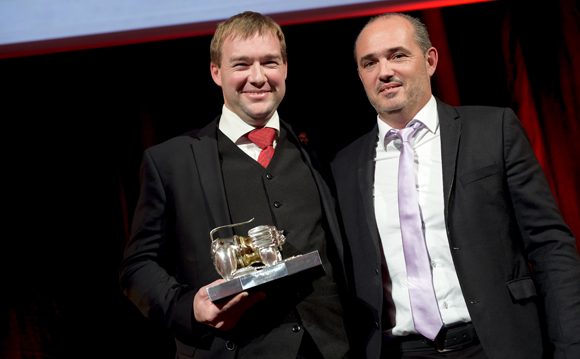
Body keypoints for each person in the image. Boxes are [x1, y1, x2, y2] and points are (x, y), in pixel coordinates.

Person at [331, 12, 580, 359]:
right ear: (360, 75)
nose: (384, 71)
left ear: (430, 60)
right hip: (400, 352)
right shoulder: (343, 167)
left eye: (398, 55)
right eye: (370, 63)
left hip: (497, 344)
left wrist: (569, 348)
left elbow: (550, 246)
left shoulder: (494, 130)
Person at [120, 11, 350, 359]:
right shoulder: (171, 161)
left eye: (269, 62)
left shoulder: (320, 149)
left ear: (285, 68)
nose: (257, 77)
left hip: (336, 348)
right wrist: (191, 307)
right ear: (217, 72)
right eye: (241, 65)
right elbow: (138, 267)